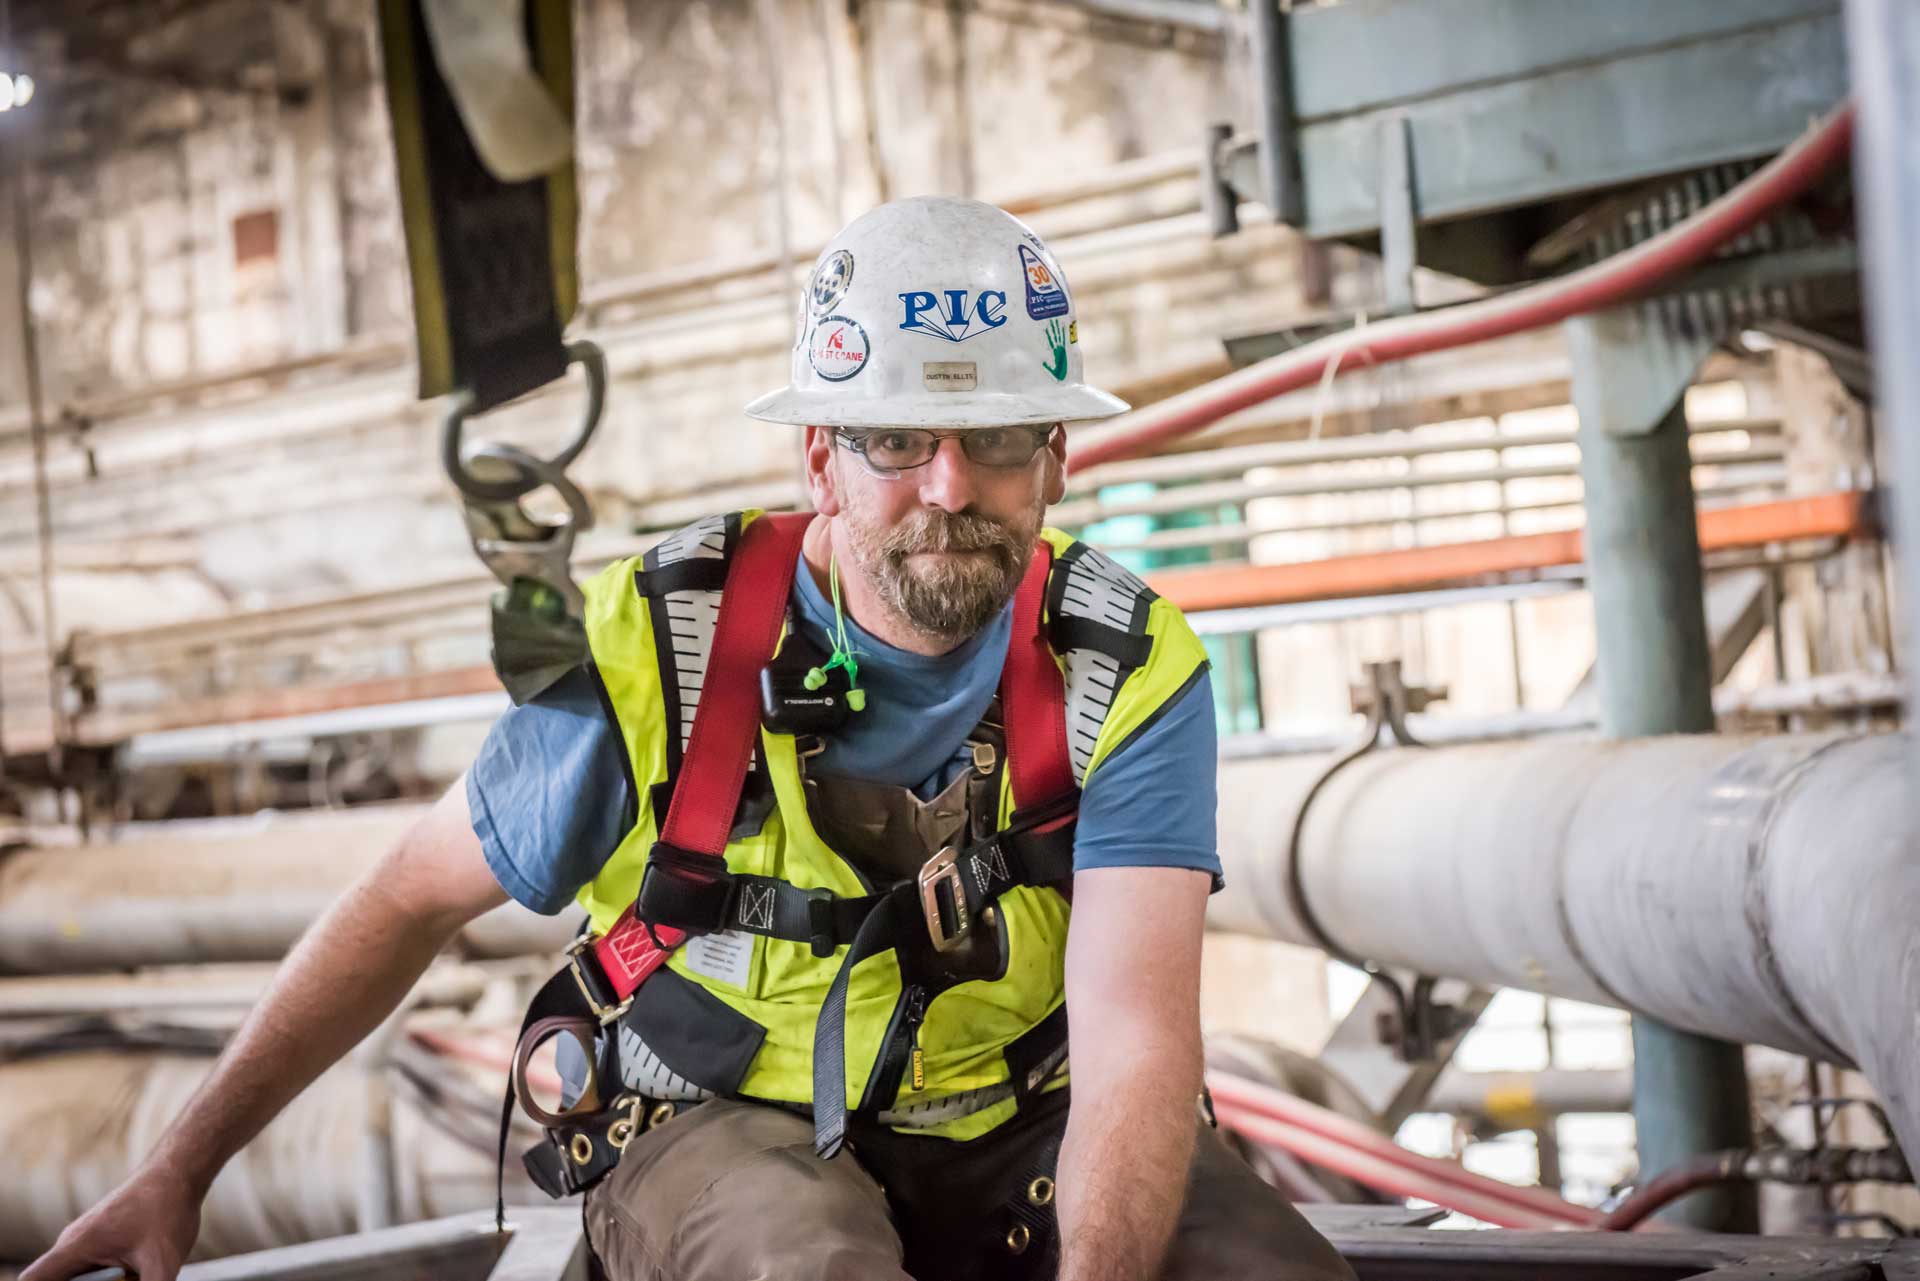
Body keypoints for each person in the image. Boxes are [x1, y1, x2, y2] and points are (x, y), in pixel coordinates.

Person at [25, 197, 1354, 1281]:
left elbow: (1132, 1035)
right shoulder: (663, 647)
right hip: (721, 1123)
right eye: (898, 437)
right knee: (806, 1267)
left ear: (1056, 457)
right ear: (818, 460)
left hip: (1019, 1122)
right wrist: (177, 1169)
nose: (949, 487)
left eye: (998, 439)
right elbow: (403, 901)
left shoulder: (1125, 664)